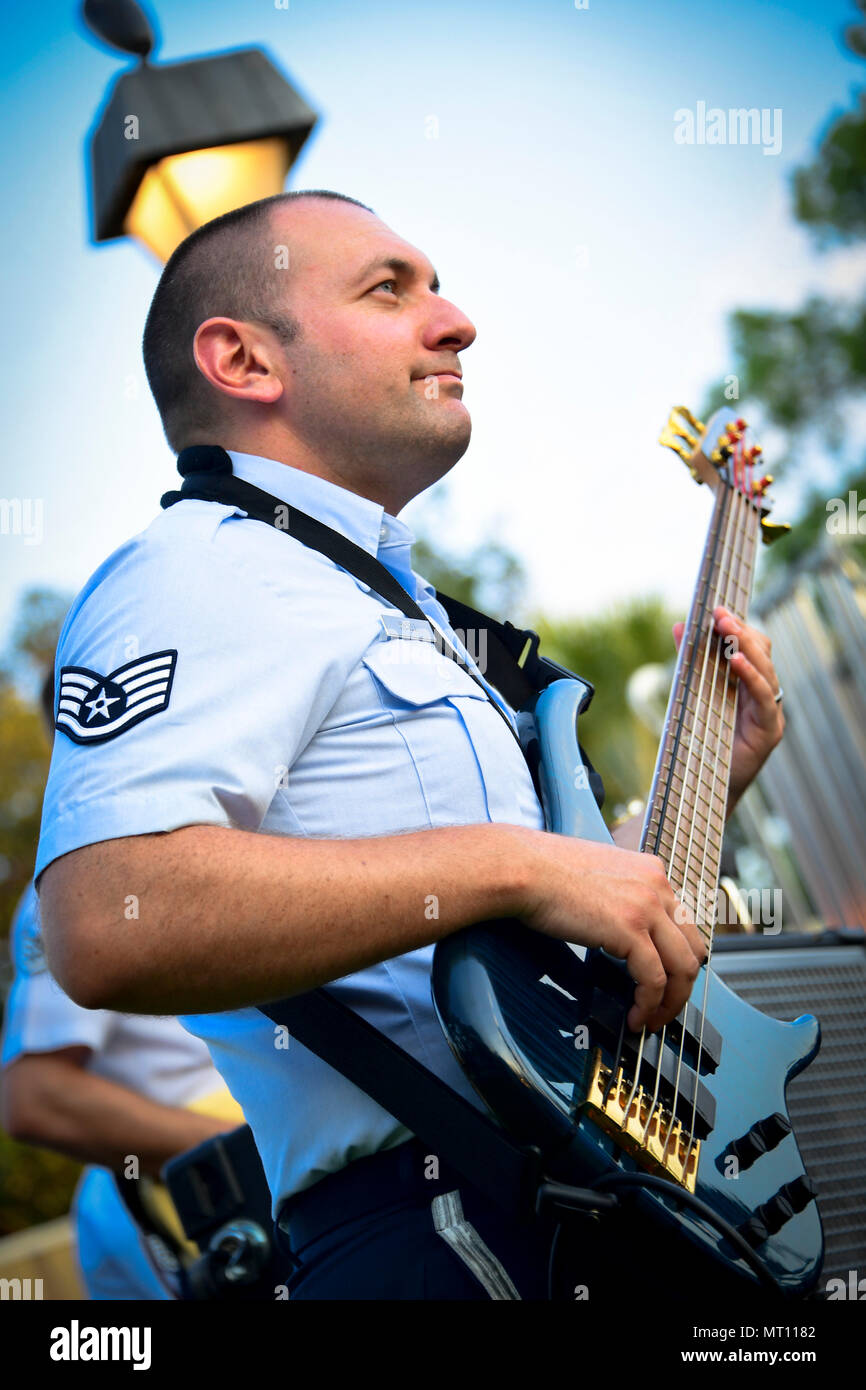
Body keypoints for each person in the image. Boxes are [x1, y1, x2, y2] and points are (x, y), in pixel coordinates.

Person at [33, 189, 786, 1300]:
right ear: (242, 360)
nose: (456, 321)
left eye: (436, 285)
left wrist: (707, 775)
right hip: (428, 1232)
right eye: (390, 289)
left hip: (581, 1202)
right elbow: (104, 916)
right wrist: (516, 864)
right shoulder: (199, 567)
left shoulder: (413, 615)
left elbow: (562, 951)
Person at [1, 674, 245, 1299]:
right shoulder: (69, 897)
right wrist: (231, 1156)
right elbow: (35, 1095)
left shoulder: (209, 848)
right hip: (203, 1208)